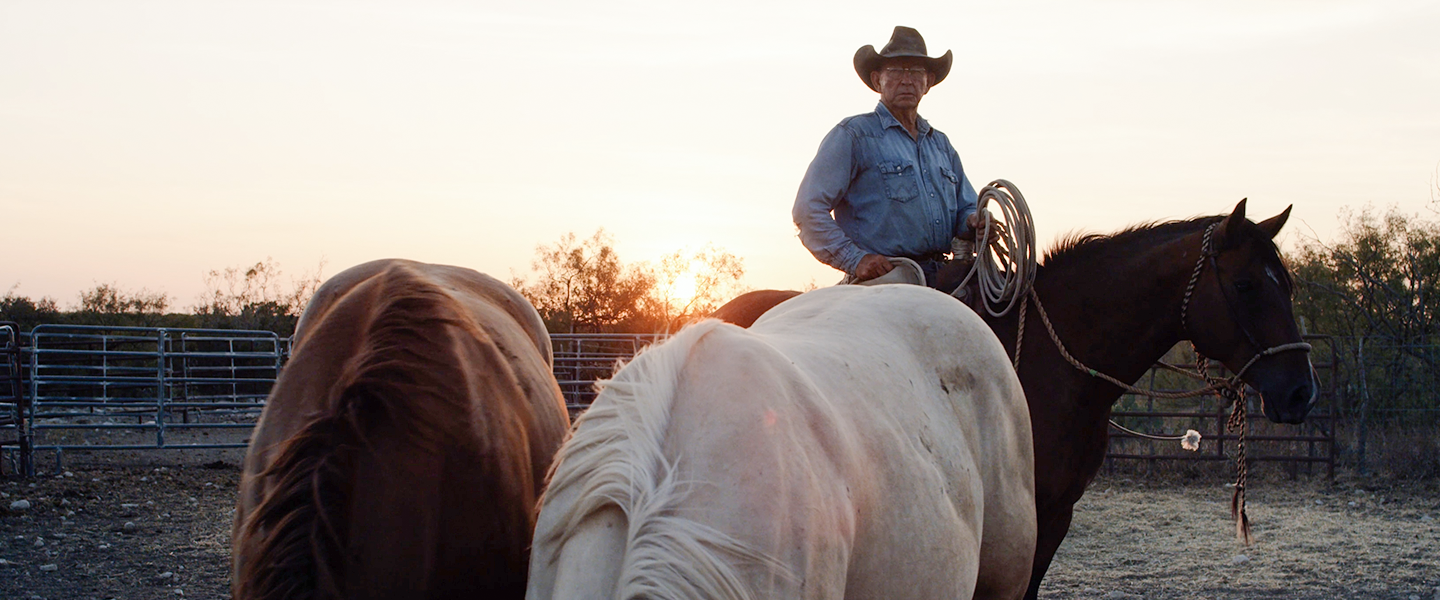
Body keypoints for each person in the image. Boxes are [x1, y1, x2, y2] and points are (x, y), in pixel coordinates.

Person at [793, 26, 983, 288]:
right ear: (877, 80)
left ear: (927, 82)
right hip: (885, 278)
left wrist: (975, 221)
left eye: (915, 72)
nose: (906, 80)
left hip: (943, 275)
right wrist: (856, 259)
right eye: (895, 71)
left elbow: (966, 208)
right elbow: (807, 210)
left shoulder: (941, 145)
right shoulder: (854, 135)